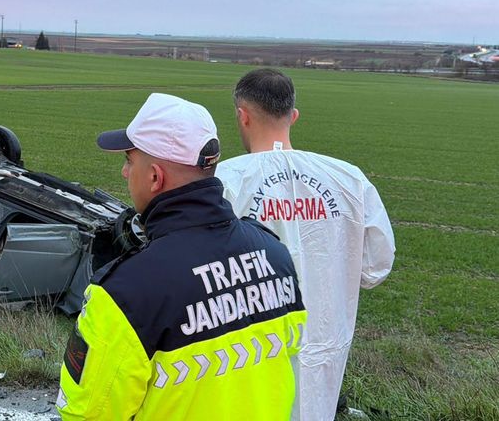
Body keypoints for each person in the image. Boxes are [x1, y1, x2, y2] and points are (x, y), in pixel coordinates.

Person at [56, 93, 308, 420]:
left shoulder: (125, 294)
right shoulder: (275, 255)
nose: (123, 171)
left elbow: (88, 413)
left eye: (130, 161)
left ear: (155, 176)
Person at [216, 68, 396, 421]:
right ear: (293, 116)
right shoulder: (349, 179)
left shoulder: (224, 180)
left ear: (242, 115)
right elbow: (376, 266)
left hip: (246, 348)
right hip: (324, 341)